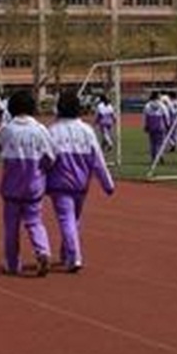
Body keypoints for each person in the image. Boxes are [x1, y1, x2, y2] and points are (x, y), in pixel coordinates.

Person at [44, 90, 116, 273]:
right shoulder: (87, 131)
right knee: (73, 219)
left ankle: (74, 256)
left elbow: (45, 160)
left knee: (67, 219)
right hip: (81, 184)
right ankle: (66, 252)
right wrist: (107, 184)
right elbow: (98, 161)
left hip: (59, 184)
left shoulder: (52, 131)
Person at [0, 90, 56, 277]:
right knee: (35, 221)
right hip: (33, 184)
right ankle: (42, 251)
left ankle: (12, 264)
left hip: (11, 185)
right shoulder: (39, 129)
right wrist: (43, 168)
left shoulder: (7, 129)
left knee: (11, 227)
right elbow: (51, 156)